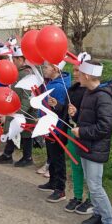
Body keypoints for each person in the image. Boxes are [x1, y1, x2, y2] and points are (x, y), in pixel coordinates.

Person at [70, 59, 112, 224]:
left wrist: (81, 131)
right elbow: (89, 118)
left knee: (96, 187)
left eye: (80, 73)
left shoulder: (103, 97)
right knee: (91, 184)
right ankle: (99, 215)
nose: (77, 76)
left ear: (88, 75)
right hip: (86, 145)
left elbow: (105, 127)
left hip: (95, 148)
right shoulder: (89, 93)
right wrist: (75, 114)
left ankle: (110, 223)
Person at [49, 52, 94, 214]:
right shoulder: (72, 89)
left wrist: (77, 113)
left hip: (85, 133)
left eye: (78, 70)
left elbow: (90, 115)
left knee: (88, 169)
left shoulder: (91, 92)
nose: (75, 73)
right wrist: (58, 106)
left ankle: (91, 198)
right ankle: (77, 196)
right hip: (71, 131)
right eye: (74, 70)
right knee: (75, 166)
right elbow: (68, 112)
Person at [0, 47, 36, 167]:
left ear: (21, 59)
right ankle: (8, 154)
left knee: (26, 133)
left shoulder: (26, 74)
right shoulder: (19, 72)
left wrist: (21, 111)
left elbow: (27, 96)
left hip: (26, 110)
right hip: (18, 107)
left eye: (15, 59)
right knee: (13, 129)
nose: (13, 62)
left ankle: (27, 157)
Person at [37, 61, 71, 203]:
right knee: (51, 155)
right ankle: (52, 181)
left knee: (58, 158)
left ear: (55, 68)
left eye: (46, 67)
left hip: (56, 129)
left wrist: (55, 128)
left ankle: (60, 189)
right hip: (47, 126)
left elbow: (61, 111)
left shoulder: (60, 87)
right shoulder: (51, 83)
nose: (44, 70)